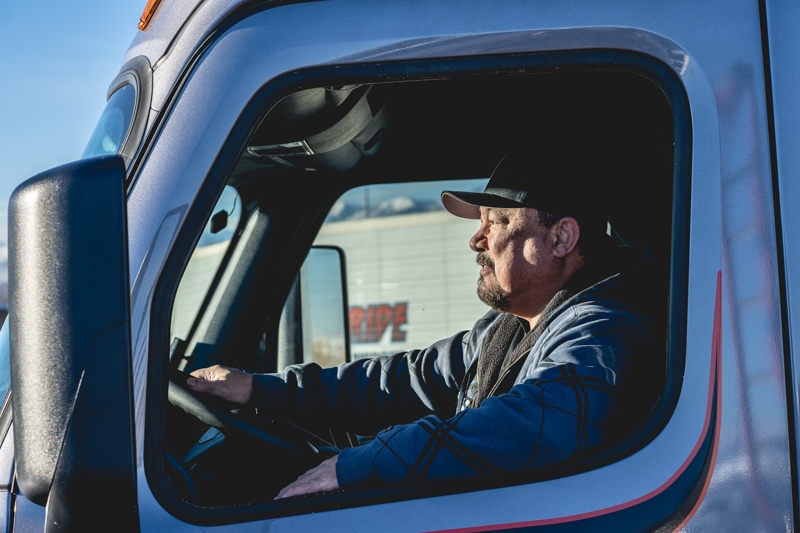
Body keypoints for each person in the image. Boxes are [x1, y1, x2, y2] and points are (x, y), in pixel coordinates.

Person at [187, 149, 663, 500]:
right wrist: (263, 391)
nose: (476, 239)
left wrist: (365, 464)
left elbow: (533, 424)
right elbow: (406, 380)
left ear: (561, 237)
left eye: (495, 221)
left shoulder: (606, 331)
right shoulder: (507, 330)